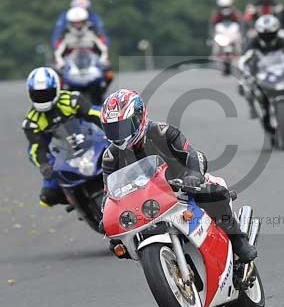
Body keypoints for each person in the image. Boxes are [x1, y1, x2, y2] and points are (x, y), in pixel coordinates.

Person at [100, 89, 257, 262]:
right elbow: (109, 193)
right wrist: (105, 215)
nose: (119, 135)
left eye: (122, 127)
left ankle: (238, 240)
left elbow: (192, 154)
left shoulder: (163, 132)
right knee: (115, 244)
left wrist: (193, 175)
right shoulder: (111, 157)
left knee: (215, 193)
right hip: (144, 203)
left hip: (180, 187)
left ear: (139, 117)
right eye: (113, 130)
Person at [21, 67, 103, 207]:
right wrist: (44, 165)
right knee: (47, 197)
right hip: (57, 154)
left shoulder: (72, 100)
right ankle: (75, 201)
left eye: (47, 94)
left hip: (88, 140)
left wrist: (114, 127)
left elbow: (95, 114)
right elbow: (37, 148)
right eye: (38, 95)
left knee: (121, 157)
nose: (43, 98)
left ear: (56, 89)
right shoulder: (31, 122)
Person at [238, 14, 284, 120]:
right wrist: (244, 68)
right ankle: (252, 107)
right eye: (264, 34)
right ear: (258, 32)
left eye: (270, 34)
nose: (267, 37)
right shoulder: (254, 41)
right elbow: (245, 57)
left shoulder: (281, 40)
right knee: (245, 83)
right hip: (260, 69)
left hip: (280, 68)